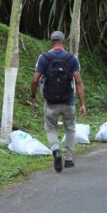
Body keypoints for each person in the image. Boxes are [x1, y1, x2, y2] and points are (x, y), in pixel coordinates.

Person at [30, 31, 87, 173]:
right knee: (70, 128)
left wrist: (33, 95)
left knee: (50, 128)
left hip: (50, 102)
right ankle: (68, 159)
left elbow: (35, 79)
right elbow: (78, 81)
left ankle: (56, 150)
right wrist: (83, 104)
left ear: (51, 42)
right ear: (64, 42)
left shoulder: (44, 58)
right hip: (68, 101)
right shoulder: (71, 58)